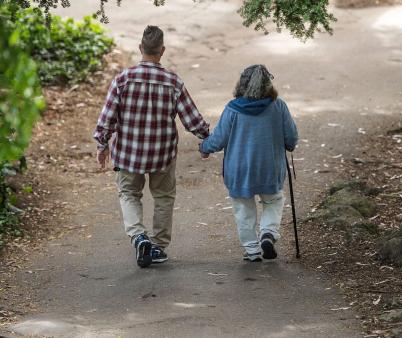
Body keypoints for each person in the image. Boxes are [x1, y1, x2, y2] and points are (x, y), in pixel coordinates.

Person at [93, 25, 210, 268]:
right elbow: (192, 120)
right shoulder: (173, 82)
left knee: (129, 194)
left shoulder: (123, 79)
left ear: (140, 48)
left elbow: (107, 118)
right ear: (162, 50)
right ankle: (157, 246)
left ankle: (139, 236)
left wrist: (102, 144)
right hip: (162, 155)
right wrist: (207, 139)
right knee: (164, 197)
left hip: (128, 154)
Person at [199, 65, 298, 262]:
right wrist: (289, 144)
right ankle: (268, 234)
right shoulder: (278, 106)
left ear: (242, 84)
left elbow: (219, 139)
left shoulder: (232, 109)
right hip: (269, 168)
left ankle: (252, 249)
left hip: (239, 170)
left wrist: (204, 147)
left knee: (243, 208)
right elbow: (292, 137)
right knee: (273, 201)